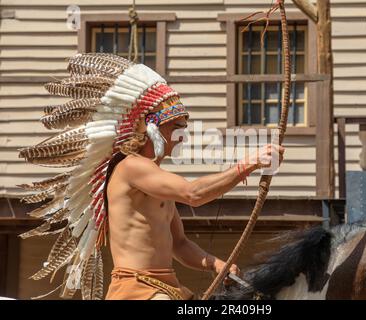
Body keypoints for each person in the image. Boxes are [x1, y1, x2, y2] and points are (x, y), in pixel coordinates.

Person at [18, 53, 284, 300]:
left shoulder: (155, 177)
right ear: (154, 129)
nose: (183, 135)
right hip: (135, 289)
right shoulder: (132, 167)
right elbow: (193, 194)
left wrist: (215, 263)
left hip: (166, 287)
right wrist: (248, 164)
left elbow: (179, 244)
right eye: (177, 127)